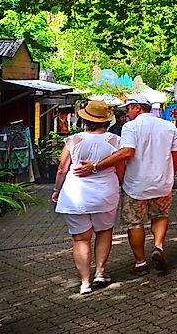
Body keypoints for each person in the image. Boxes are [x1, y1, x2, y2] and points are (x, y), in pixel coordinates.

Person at [74, 93, 177, 276]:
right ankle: (158, 247)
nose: (127, 113)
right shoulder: (168, 126)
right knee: (160, 215)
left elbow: (126, 153)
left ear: (137, 107)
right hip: (162, 183)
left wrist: (101, 169)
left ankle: (140, 263)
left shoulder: (130, 127)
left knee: (135, 223)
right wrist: (172, 175)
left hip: (136, 185)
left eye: (129, 109)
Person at [52, 99, 122, 295]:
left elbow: (61, 169)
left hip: (75, 195)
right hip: (105, 193)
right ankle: (100, 271)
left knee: (81, 239)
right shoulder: (116, 141)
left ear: (85, 120)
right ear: (106, 121)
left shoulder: (73, 141)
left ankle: (85, 282)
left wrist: (57, 190)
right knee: (104, 231)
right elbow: (121, 167)